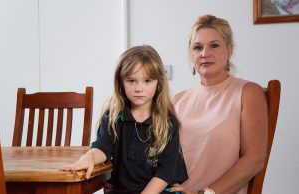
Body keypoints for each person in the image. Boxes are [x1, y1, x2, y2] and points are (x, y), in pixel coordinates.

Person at [61, 45, 188, 194]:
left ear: (158, 82)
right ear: (120, 82)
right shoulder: (113, 115)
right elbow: (102, 148)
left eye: (147, 81)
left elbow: (166, 171)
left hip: (159, 190)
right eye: (131, 81)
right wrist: (89, 157)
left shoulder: (168, 122)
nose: (138, 88)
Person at [170, 15, 268, 194]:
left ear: (229, 49)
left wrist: (206, 193)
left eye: (214, 45)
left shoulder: (248, 93)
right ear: (191, 54)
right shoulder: (178, 100)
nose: (204, 53)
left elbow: (255, 159)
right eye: (198, 47)